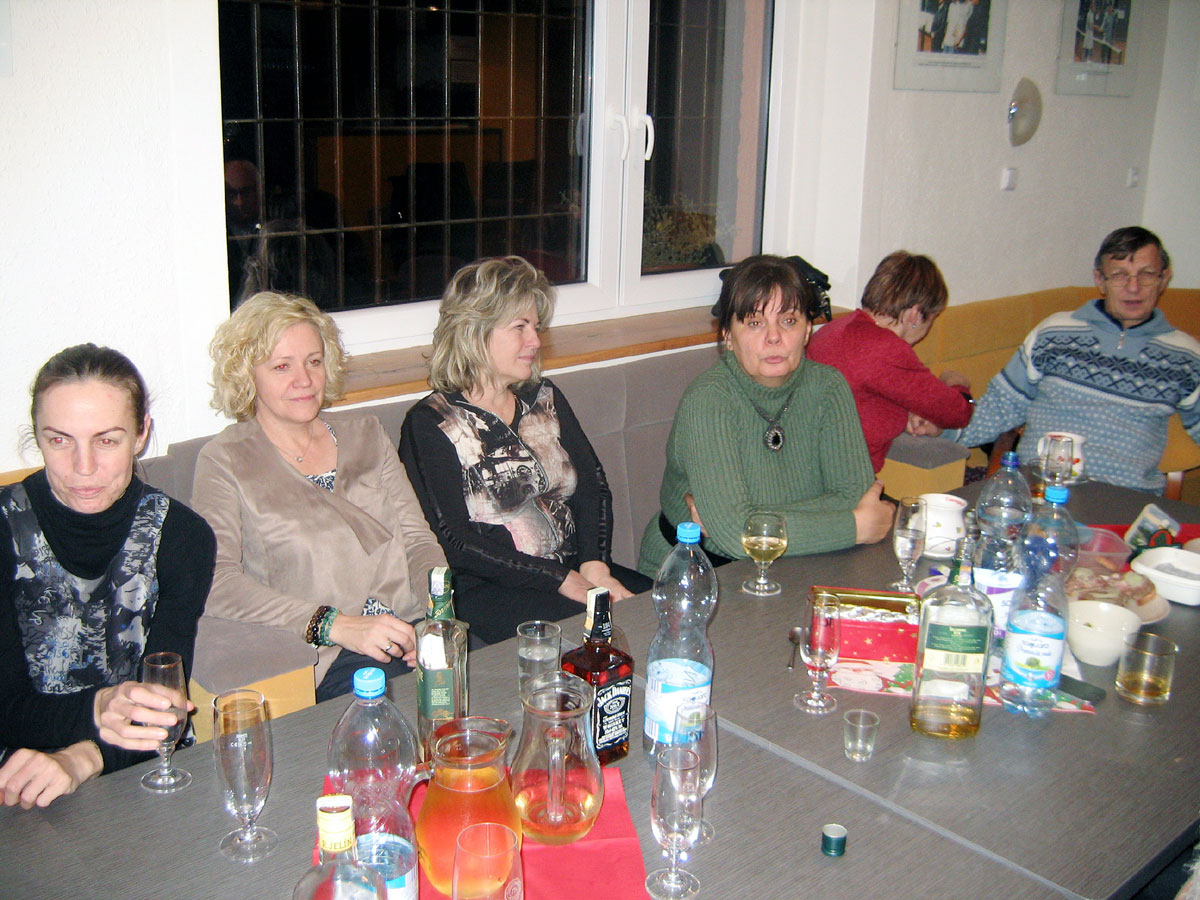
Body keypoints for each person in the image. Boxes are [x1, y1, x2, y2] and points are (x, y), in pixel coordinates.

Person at [192, 292, 446, 701]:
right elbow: (216, 582)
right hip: (327, 654)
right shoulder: (226, 461)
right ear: (246, 374)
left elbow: (419, 541)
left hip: (412, 631)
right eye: (282, 366)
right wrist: (334, 625)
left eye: (314, 361)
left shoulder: (367, 434)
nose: (305, 380)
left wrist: (437, 620)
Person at [0, 345, 214, 809]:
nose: (84, 468)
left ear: (141, 435)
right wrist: (97, 708)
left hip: (135, 767)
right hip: (13, 775)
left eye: (107, 441)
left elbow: (164, 705)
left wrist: (84, 758)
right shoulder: (5, 528)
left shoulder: (181, 536)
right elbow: (7, 707)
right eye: (60, 441)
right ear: (37, 437)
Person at [399, 257, 651, 645]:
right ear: (474, 332)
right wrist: (560, 579)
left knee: (658, 611)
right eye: (520, 327)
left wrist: (595, 565)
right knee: (602, 643)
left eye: (535, 327)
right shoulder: (431, 422)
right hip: (490, 589)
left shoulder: (543, 396)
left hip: (573, 571)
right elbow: (454, 542)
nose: (535, 340)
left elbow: (592, 487)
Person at [637, 255, 894, 577]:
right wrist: (853, 527)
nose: (774, 337)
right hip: (699, 572)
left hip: (803, 561)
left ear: (807, 330)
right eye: (755, 323)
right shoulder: (709, 399)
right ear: (728, 336)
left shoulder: (828, 387)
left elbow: (854, 497)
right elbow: (734, 538)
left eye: (788, 320)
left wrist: (750, 520)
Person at [953, 226, 1200, 494]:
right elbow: (1000, 407)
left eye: (1147, 274)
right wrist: (938, 428)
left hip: (1126, 500)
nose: (1133, 287)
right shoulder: (1054, 333)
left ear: (1164, 278)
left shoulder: (1185, 356)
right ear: (1100, 280)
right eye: (1119, 275)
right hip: (1038, 490)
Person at [807, 251, 973, 473]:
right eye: (931, 320)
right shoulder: (886, 349)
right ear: (915, 315)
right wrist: (957, 382)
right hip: (846, 480)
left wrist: (909, 412)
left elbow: (866, 398)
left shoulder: (834, 330)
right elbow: (958, 412)